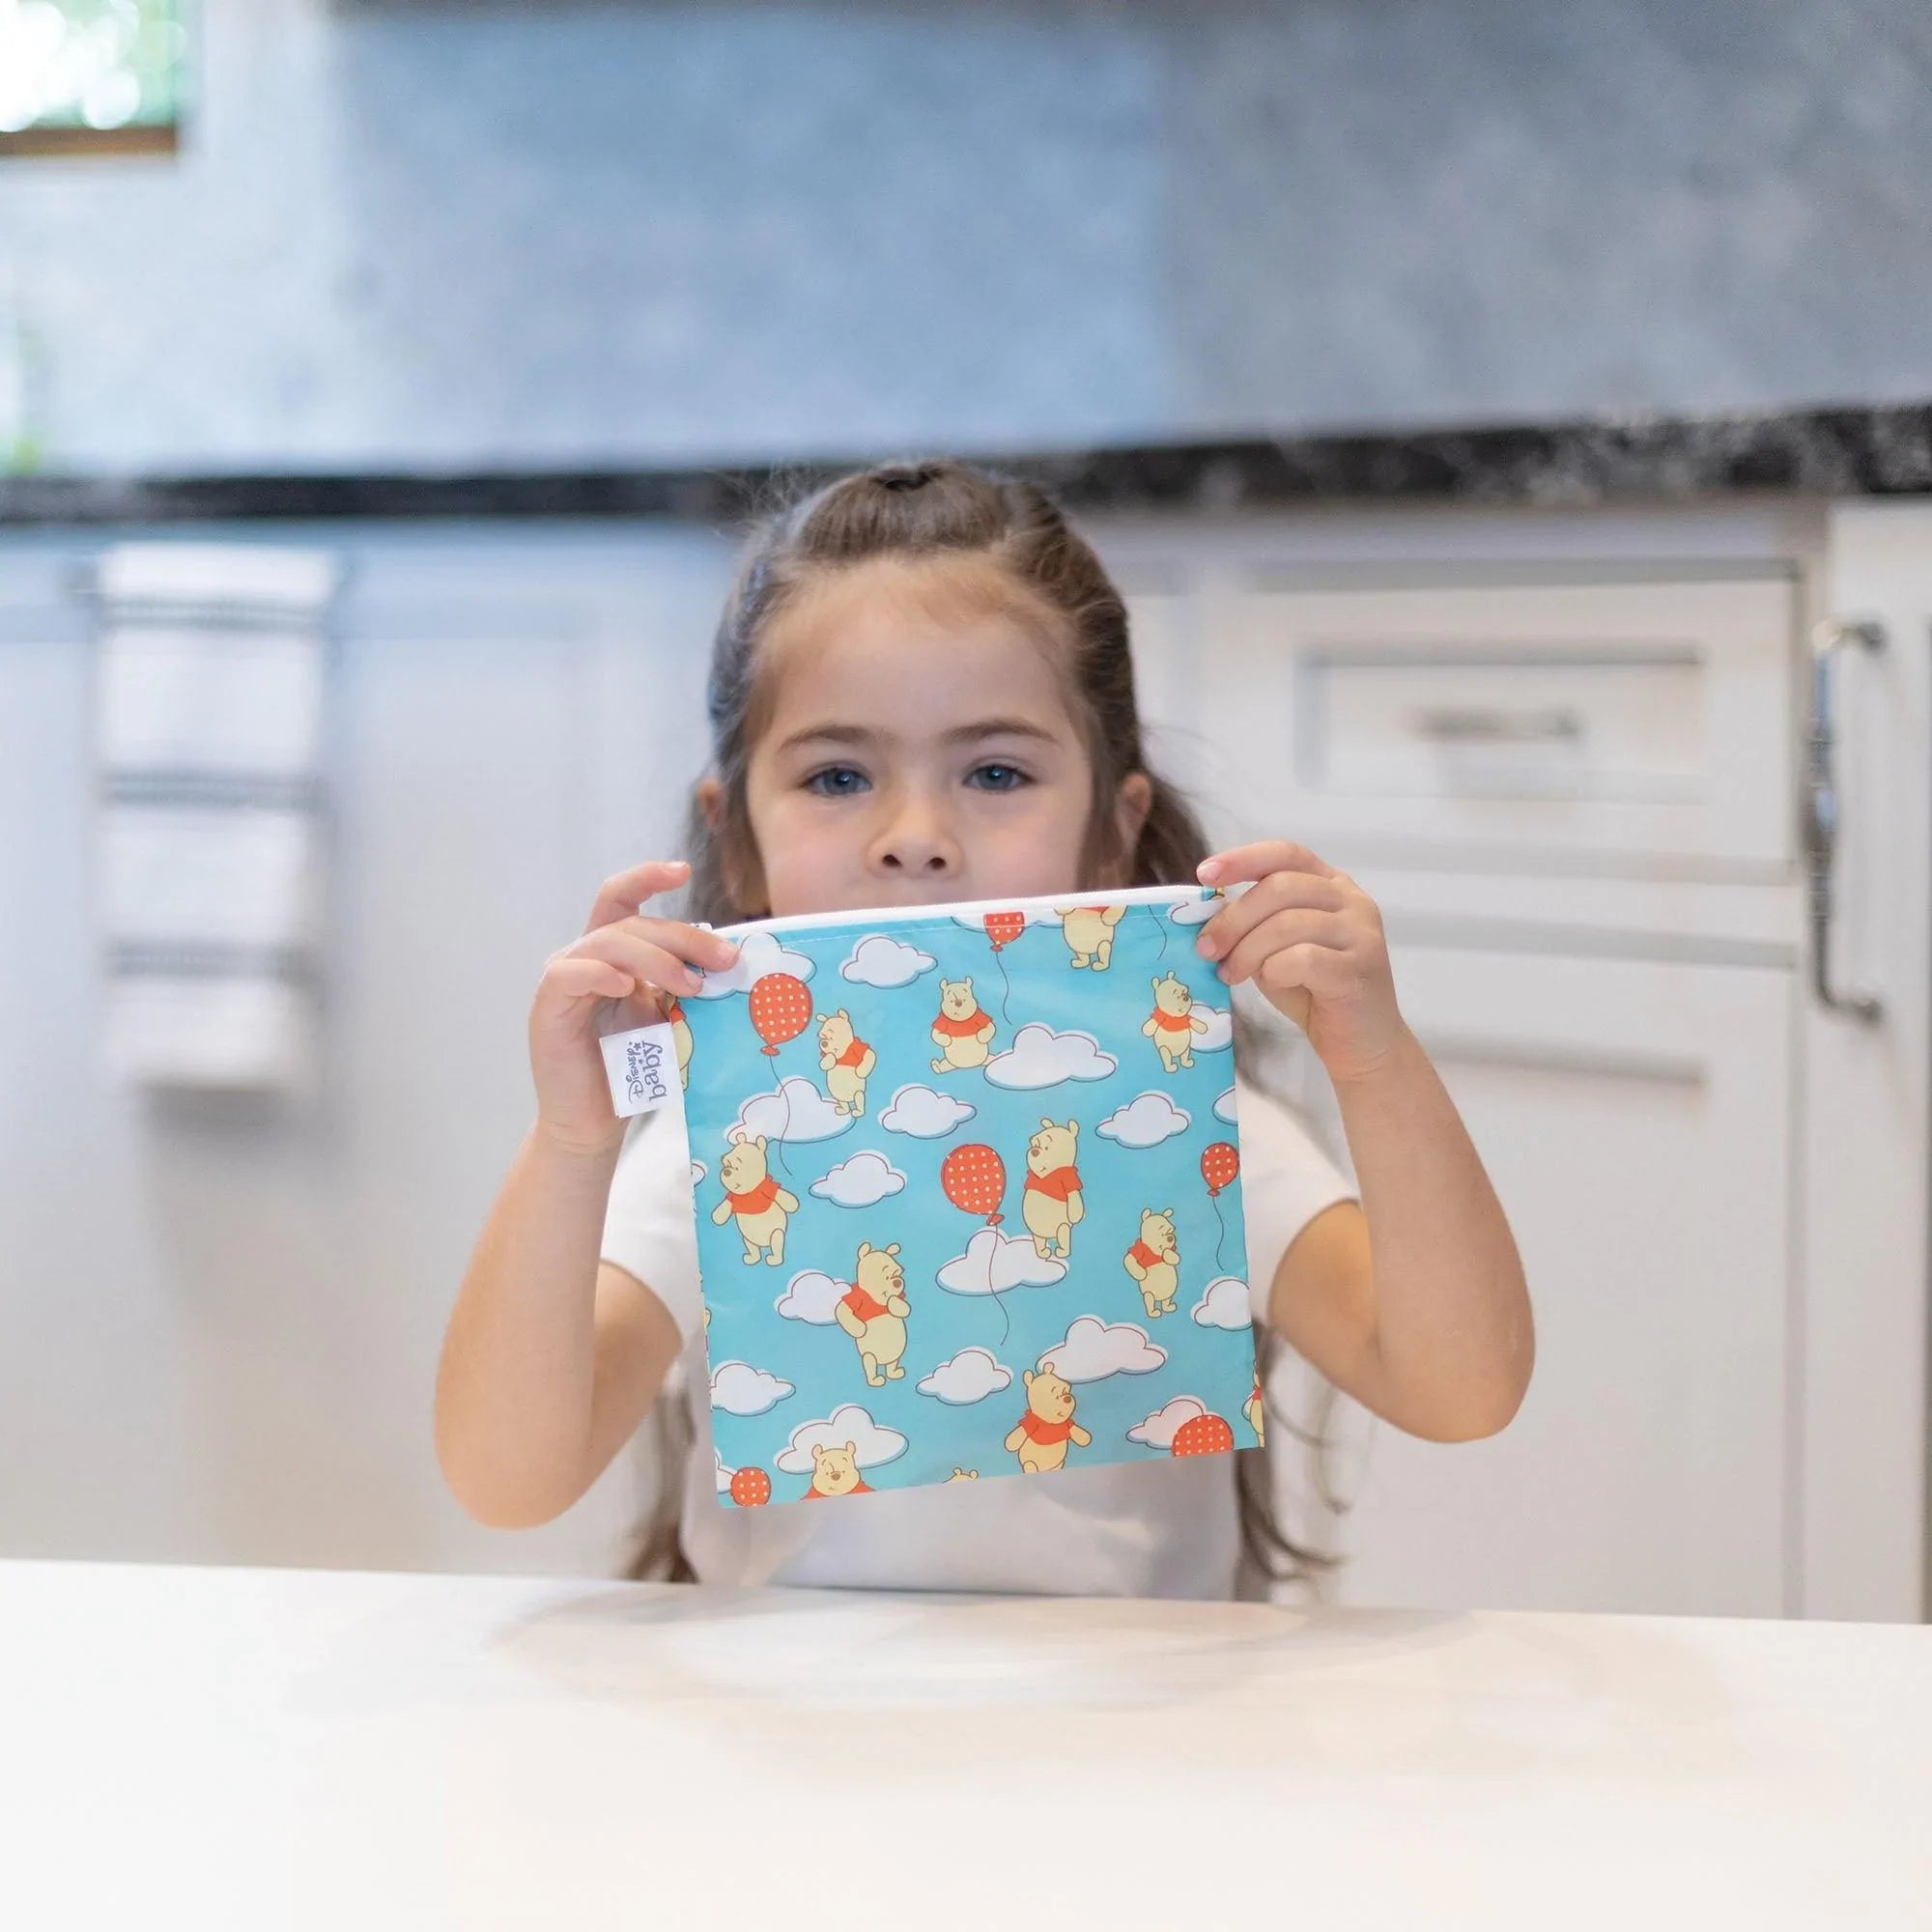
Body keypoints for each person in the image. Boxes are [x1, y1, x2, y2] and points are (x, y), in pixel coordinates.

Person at [435, 460, 1532, 1598]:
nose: (916, 833)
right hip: (799, 1744)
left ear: (1115, 829)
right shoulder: (720, 1156)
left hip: (1149, 1744)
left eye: (995, 769)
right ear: (741, 845)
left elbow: (1458, 1388)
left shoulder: (1196, 1134)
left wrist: (1376, 1059)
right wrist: (572, 1139)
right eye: (838, 774)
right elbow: (508, 1479)